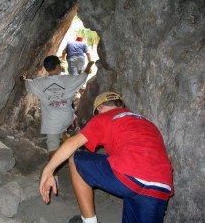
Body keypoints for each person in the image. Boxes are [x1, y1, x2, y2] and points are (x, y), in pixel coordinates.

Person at [39, 91, 174, 223]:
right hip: (161, 185)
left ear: (99, 108)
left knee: (76, 158)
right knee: (132, 194)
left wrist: (48, 170)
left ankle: (89, 221)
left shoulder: (105, 116)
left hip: (130, 174)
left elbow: (72, 143)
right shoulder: (146, 122)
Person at [20, 55, 95, 165]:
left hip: (52, 121)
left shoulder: (38, 82)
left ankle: (53, 175)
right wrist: (88, 66)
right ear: (59, 66)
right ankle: (75, 151)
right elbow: (83, 76)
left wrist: (22, 78)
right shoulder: (68, 79)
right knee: (61, 131)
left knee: (53, 149)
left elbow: (27, 82)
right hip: (67, 117)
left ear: (46, 68)